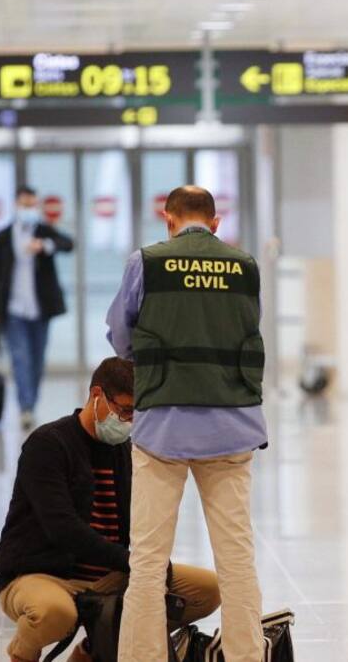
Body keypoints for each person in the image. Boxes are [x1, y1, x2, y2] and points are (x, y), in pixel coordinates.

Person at [108, 185, 268, 662]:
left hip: (164, 428)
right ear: (215, 224)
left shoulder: (147, 262)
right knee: (237, 558)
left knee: (148, 562)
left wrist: (158, 365)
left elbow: (121, 333)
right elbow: (247, 326)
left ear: (168, 219)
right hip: (232, 426)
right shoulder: (244, 266)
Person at [0, 357, 221, 662]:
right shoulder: (47, 444)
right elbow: (62, 528)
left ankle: (94, 650)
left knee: (206, 590)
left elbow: (137, 520)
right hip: (41, 573)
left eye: (135, 414)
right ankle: (22, 654)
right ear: (97, 395)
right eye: (125, 410)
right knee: (54, 613)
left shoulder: (124, 451)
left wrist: (151, 563)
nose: (129, 421)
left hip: (108, 576)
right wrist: (130, 561)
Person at [0, 185, 75, 431]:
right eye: (25, 205)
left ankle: (30, 401)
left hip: (40, 309)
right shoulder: (2, 237)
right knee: (20, 358)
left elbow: (68, 243)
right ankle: (26, 407)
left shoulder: (44, 232)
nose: (29, 209)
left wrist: (44, 246)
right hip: (13, 310)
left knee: (37, 359)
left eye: (32, 205)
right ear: (15, 205)